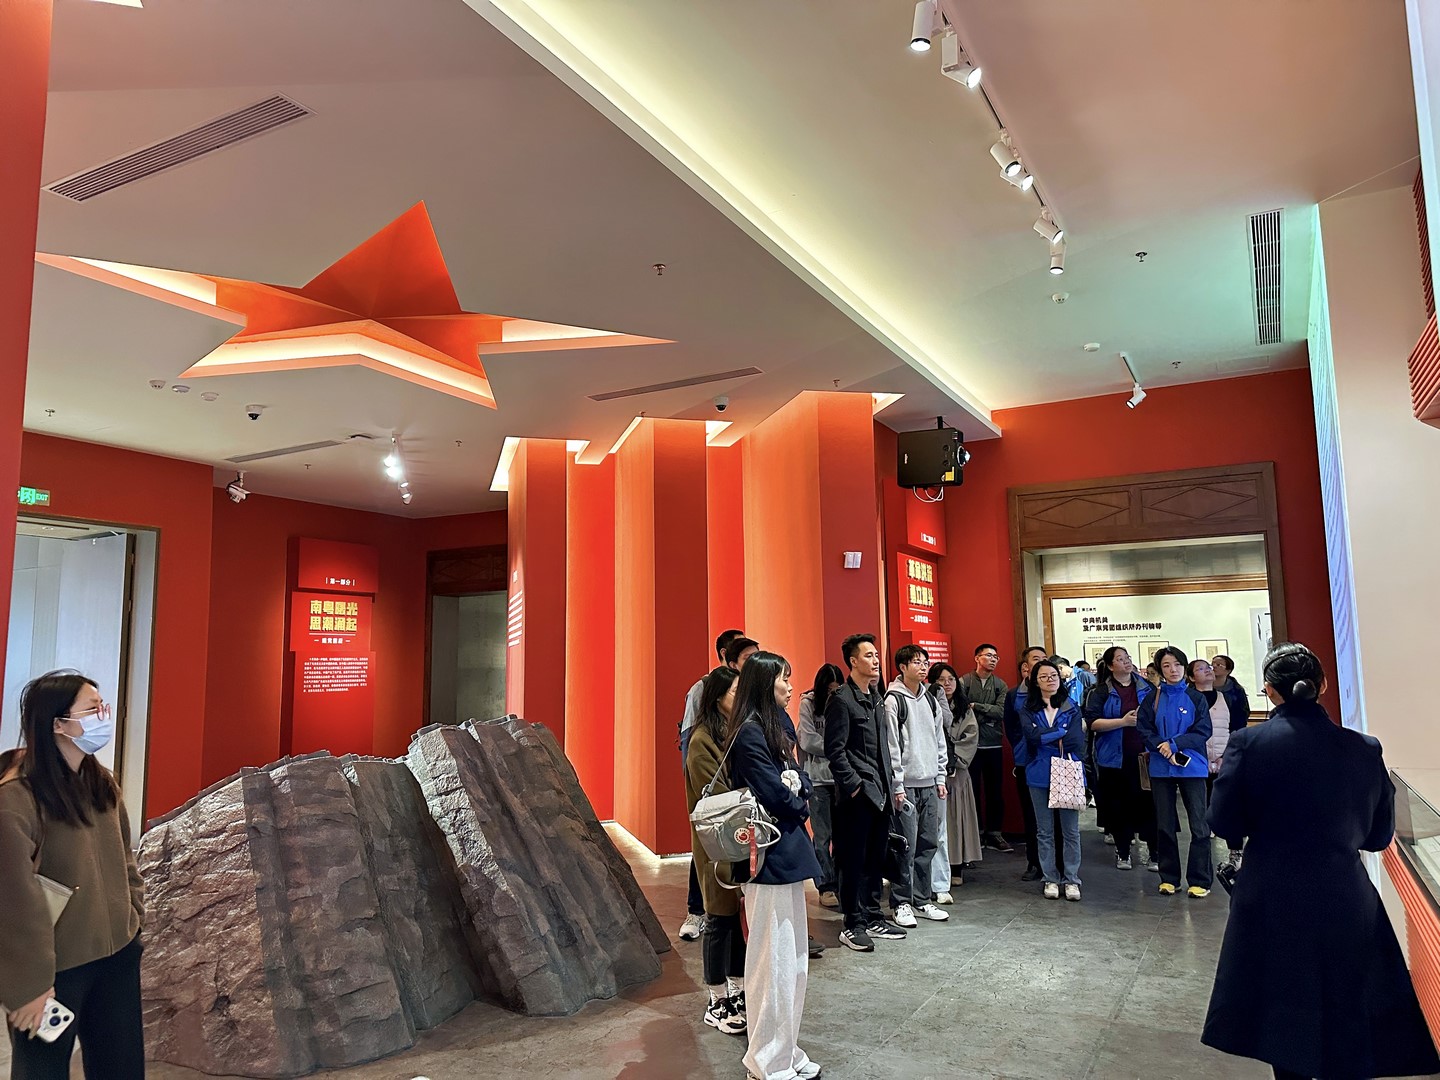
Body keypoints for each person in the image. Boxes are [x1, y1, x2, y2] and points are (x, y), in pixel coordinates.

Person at [1203, 643, 1440, 1080]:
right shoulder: (1364, 748)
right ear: (1324, 684)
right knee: (1346, 1011)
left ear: (1270, 691)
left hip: (1271, 895)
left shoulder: (1248, 744)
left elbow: (1223, 821)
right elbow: (1378, 837)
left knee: (1282, 1021)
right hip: (1343, 895)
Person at [0, 671, 146, 1079]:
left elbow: (125, 858)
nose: (104, 716)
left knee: (121, 1067)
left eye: (103, 706)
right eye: (92, 709)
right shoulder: (16, 798)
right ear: (58, 724)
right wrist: (27, 985)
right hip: (54, 970)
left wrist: (133, 917)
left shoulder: (101, 783)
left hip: (117, 955)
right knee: (42, 1071)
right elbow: (11, 899)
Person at [727, 653, 824, 1080]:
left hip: (784, 856)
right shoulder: (749, 733)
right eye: (785, 678)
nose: (790, 686)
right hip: (766, 858)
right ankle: (766, 1060)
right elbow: (777, 792)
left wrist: (796, 789)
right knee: (773, 963)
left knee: (793, 961)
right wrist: (797, 798)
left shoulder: (771, 727)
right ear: (767, 682)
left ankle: (785, 1049)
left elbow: (799, 778)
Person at [823, 633, 906, 953]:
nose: (875, 660)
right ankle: (853, 922)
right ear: (853, 661)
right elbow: (835, 751)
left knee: (875, 858)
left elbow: (882, 749)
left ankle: (872, 915)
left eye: (876, 655)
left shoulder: (876, 696)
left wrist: (891, 785)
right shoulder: (841, 699)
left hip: (881, 793)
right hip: (857, 798)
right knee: (852, 861)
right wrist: (855, 786)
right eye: (868, 655)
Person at [678, 630, 755, 941]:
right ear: (727, 656)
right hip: (720, 818)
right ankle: (695, 913)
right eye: (746, 656)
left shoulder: (740, 716)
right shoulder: (702, 698)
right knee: (716, 898)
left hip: (739, 821)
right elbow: (690, 744)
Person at [684, 666, 746, 1036]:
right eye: (735, 691)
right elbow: (716, 798)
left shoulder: (735, 732)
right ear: (717, 696)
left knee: (735, 920)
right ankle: (716, 999)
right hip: (716, 846)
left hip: (739, 842)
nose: (740, 698)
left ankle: (737, 989)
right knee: (718, 920)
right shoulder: (701, 740)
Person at [1137, 647, 1213, 897]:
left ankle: (1200, 880)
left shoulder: (1196, 697)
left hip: (1193, 767)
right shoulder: (1152, 698)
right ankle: (1169, 878)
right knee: (1165, 825)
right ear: (1160, 670)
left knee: (1199, 825)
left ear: (1184, 667)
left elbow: (1203, 730)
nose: (1173, 670)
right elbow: (1144, 728)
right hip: (1161, 768)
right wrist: (1161, 745)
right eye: (1167, 665)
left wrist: (1175, 744)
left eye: (1178, 664)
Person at [882, 645, 949, 928]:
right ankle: (901, 902)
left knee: (927, 844)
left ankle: (922, 899)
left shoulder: (931, 699)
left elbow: (939, 740)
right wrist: (897, 785)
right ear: (902, 667)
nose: (923, 667)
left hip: (930, 783)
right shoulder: (893, 700)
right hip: (906, 785)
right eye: (916, 662)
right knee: (904, 847)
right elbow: (892, 746)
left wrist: (940, 777)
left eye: (925, 662)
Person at [1083, 647, 1157, 873]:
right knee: (1118, 806)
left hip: (1145, 756)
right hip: (1113, 758)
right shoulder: (1100, 692)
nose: (1126, 662)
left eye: (1127, 658)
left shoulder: (1148, 688)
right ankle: (1123, 851)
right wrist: (1123, 722)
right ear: (1110, 666)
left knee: (1149, 806)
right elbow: (1092, 723)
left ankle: (1155, 852)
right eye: (1120, 659)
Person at [1017, 661, 1086, 900]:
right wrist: (1059, 733)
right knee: (1044, 831)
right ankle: (1050, 878)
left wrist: (1047, 736)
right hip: (1038, 772)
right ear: (1036, 681)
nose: (1050, 680)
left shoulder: (1071, 706)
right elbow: (1031, 737)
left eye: (1054, 675)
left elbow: (1076, 741)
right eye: (1044, 676)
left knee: (1070, 831)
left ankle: (1072, 879)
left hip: (1067, 770)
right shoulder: (1028, 708)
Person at [796, 663, 845, 909]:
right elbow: (807, 740)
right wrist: (837, 748)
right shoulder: (808, 704)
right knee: (822, 836)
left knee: (843, 835)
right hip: (817, 780)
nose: (832, 694)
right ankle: (825, 885)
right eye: (829, 690)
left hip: (841, 778)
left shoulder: (843, 703)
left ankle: (841, 882)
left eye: (837, 689)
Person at [929, 663, 981, 894]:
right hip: (933, 770)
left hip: (957, 773)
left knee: (957, 820)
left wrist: (952, 759)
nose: (947, 684)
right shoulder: (926, 704)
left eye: (951, 679)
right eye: (941, 680)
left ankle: (957, 866)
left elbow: (970, 737)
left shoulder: (964, 708)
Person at [1003, 645, 1051, 881]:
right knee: (1032, 816)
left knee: (1057, 816)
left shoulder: (1055, 691)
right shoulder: (1014, 695)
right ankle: (1035, 863)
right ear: (1026, 666)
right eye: (1036, 658)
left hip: (1054, 761)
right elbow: (1010, 727)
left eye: (1044, 658)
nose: (1041, 661)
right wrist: (1022, 748)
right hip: (1027, 762)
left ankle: (1058, 865)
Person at [960, 644, 1011, 853]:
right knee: (972, 790)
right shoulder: (964, 681)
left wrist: (977, 706)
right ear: (977, 658)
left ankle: (994, 833)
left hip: (993, 744)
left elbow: (1001, 712)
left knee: (995, 791)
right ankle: (976, 833)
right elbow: (962, 710)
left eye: (996, 657)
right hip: (969, 746)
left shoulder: (1000, 684)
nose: (993, 659)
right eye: (988, 655)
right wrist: (984, 714)